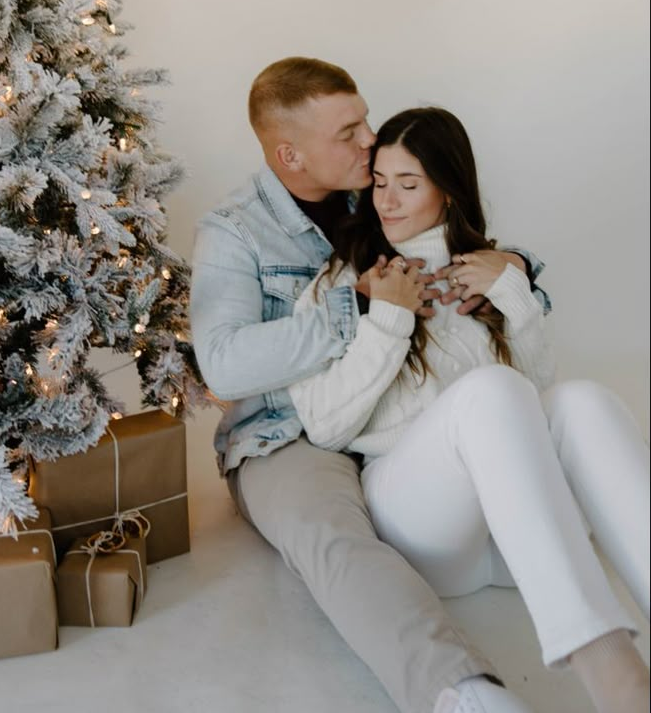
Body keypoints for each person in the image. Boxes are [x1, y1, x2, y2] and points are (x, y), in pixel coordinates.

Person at [191, 56, 549, 713]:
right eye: (349, 131)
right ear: (290, 154)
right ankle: (460, 692)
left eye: (365, 121)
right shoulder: (233, 232)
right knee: (336, 541)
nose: (369, 141)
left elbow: (451, 224)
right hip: (288, 436)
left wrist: (514, 265)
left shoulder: (372, 190)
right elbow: (222, 363)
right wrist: (352, 305)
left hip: (393, 422)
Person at [286, 105, 650, 713]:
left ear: (449, 194)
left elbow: (539, 403)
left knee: (583, 401)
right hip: (424, 525)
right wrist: (391, 316)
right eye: (379, 183)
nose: (388, 202)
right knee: (493, 391)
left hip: (522, 533)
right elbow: (325, 426)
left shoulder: (491, 269)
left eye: (409, 184)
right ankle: (616, 677)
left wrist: (515, 295)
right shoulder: (342, 283)